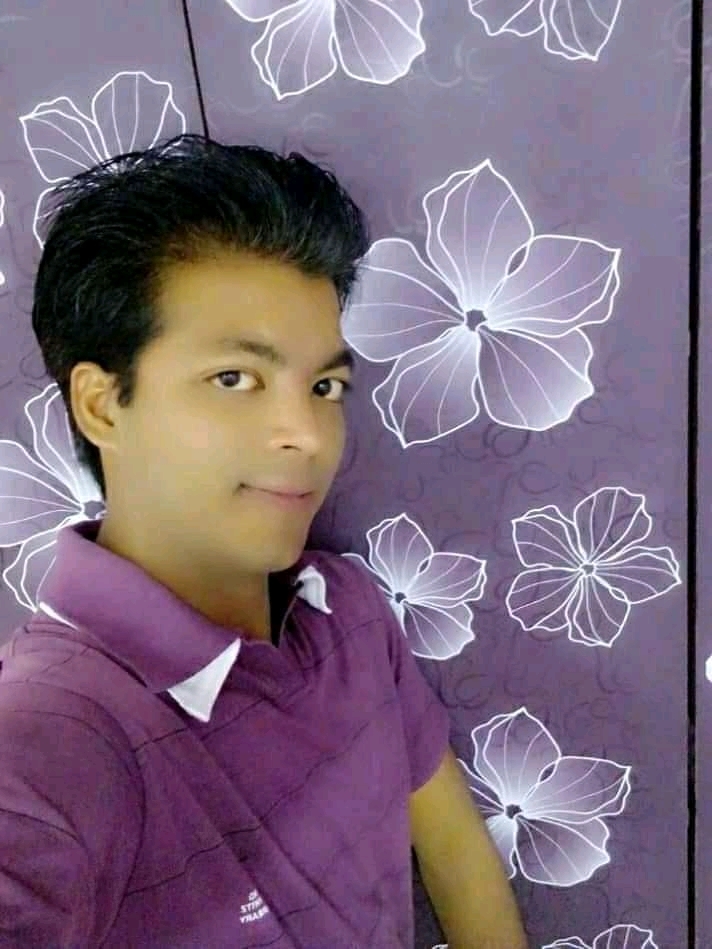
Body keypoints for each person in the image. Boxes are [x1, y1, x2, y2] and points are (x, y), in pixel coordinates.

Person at [0, 134, 527, 948]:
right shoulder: (61, 732)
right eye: (235, 378)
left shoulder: (348, 608)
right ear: (102, 405)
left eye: (324, 385)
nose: (307, 434)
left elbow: (455, 850)